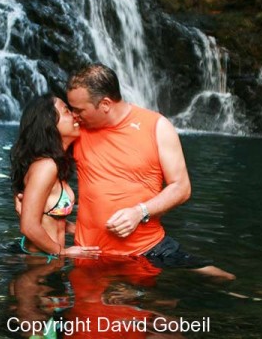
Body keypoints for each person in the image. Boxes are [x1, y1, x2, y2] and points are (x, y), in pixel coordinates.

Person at [66, 64, 235, 280]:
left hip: (147, 250)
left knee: (222, 280)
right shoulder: (74, 129)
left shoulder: (157, 126)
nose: (73, 115)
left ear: (106, 104)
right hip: (89, 254)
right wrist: (23, 193)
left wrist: (139, 212)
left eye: (79, 109)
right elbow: (37, 152)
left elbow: (181, 188)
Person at [10, 93, 101, 259]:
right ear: (50, 124)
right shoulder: (46, 167)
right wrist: (63, 252)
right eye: (66, 111)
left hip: (47, 260)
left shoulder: (56, 164)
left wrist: (77, 229)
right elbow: (28, 226)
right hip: (37, 264)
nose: (74, 115)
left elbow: (48, 218)